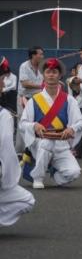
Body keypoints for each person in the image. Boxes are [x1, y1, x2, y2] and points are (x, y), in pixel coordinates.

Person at [19, 58, 82, 189]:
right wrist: (34, 126)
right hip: (40, 143)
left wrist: (72, 129)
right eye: (48, 72)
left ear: (60, 75)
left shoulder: (69, 99)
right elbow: (23, 123)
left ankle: (54, 173)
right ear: (43, 75)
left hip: (61, 143)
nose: (51, 75)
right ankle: (37, 177)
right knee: (47, 142)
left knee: (73, 173)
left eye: (54, 72)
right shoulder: (35, 100)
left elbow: (81, 122)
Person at [0, 57, 35, 225]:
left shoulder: (4, 114)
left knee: (26, 200)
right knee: (26, 200)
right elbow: (6, 151)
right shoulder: (3, 115)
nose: (2, 83)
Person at [16, 46, 44, 152]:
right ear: (33, 55)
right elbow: (25, 83)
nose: (42, 56)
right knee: (22, 125)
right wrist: (42, 86)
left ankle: (33, 151)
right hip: (24, 98)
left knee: (36, 124)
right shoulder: (24, 66)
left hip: (38, 100)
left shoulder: (42, 67)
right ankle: (20, 151)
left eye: (42, 54)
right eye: (40, 54)